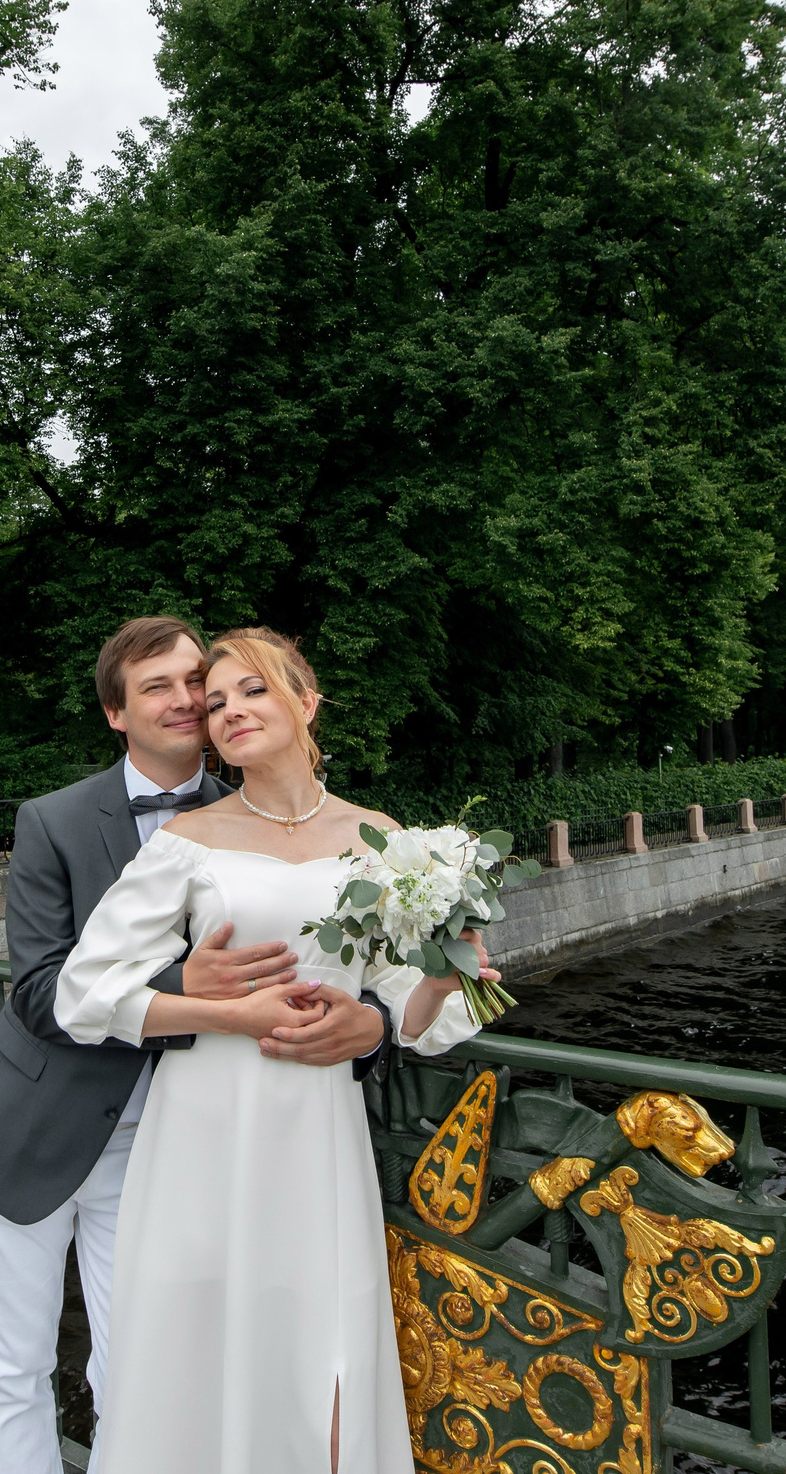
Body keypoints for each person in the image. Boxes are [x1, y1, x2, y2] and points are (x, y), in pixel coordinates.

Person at [0, 617, 389, 1474]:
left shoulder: (259, 815)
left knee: (140, 1370)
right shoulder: (55, 818)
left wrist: (365, 1031)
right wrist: (194, 988)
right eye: (161, 687)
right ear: (116, 712)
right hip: (38, 1123)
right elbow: (41, 995)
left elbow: (339, 972)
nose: (189, 701)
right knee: (10, 1366)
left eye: (199, 684)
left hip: (172, 1144)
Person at [54, 627, 491, 1473]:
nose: (229, 712)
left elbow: (411, 1009)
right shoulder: (191, 839)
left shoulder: (385, 840)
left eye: (252, 690)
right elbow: (84, 991)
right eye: (216, 703)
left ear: (307, 700)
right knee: (197, 1344)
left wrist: (429, 981)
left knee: (323, 1342)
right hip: (203, 1126)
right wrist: (229, 1013)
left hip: (317, 1125)